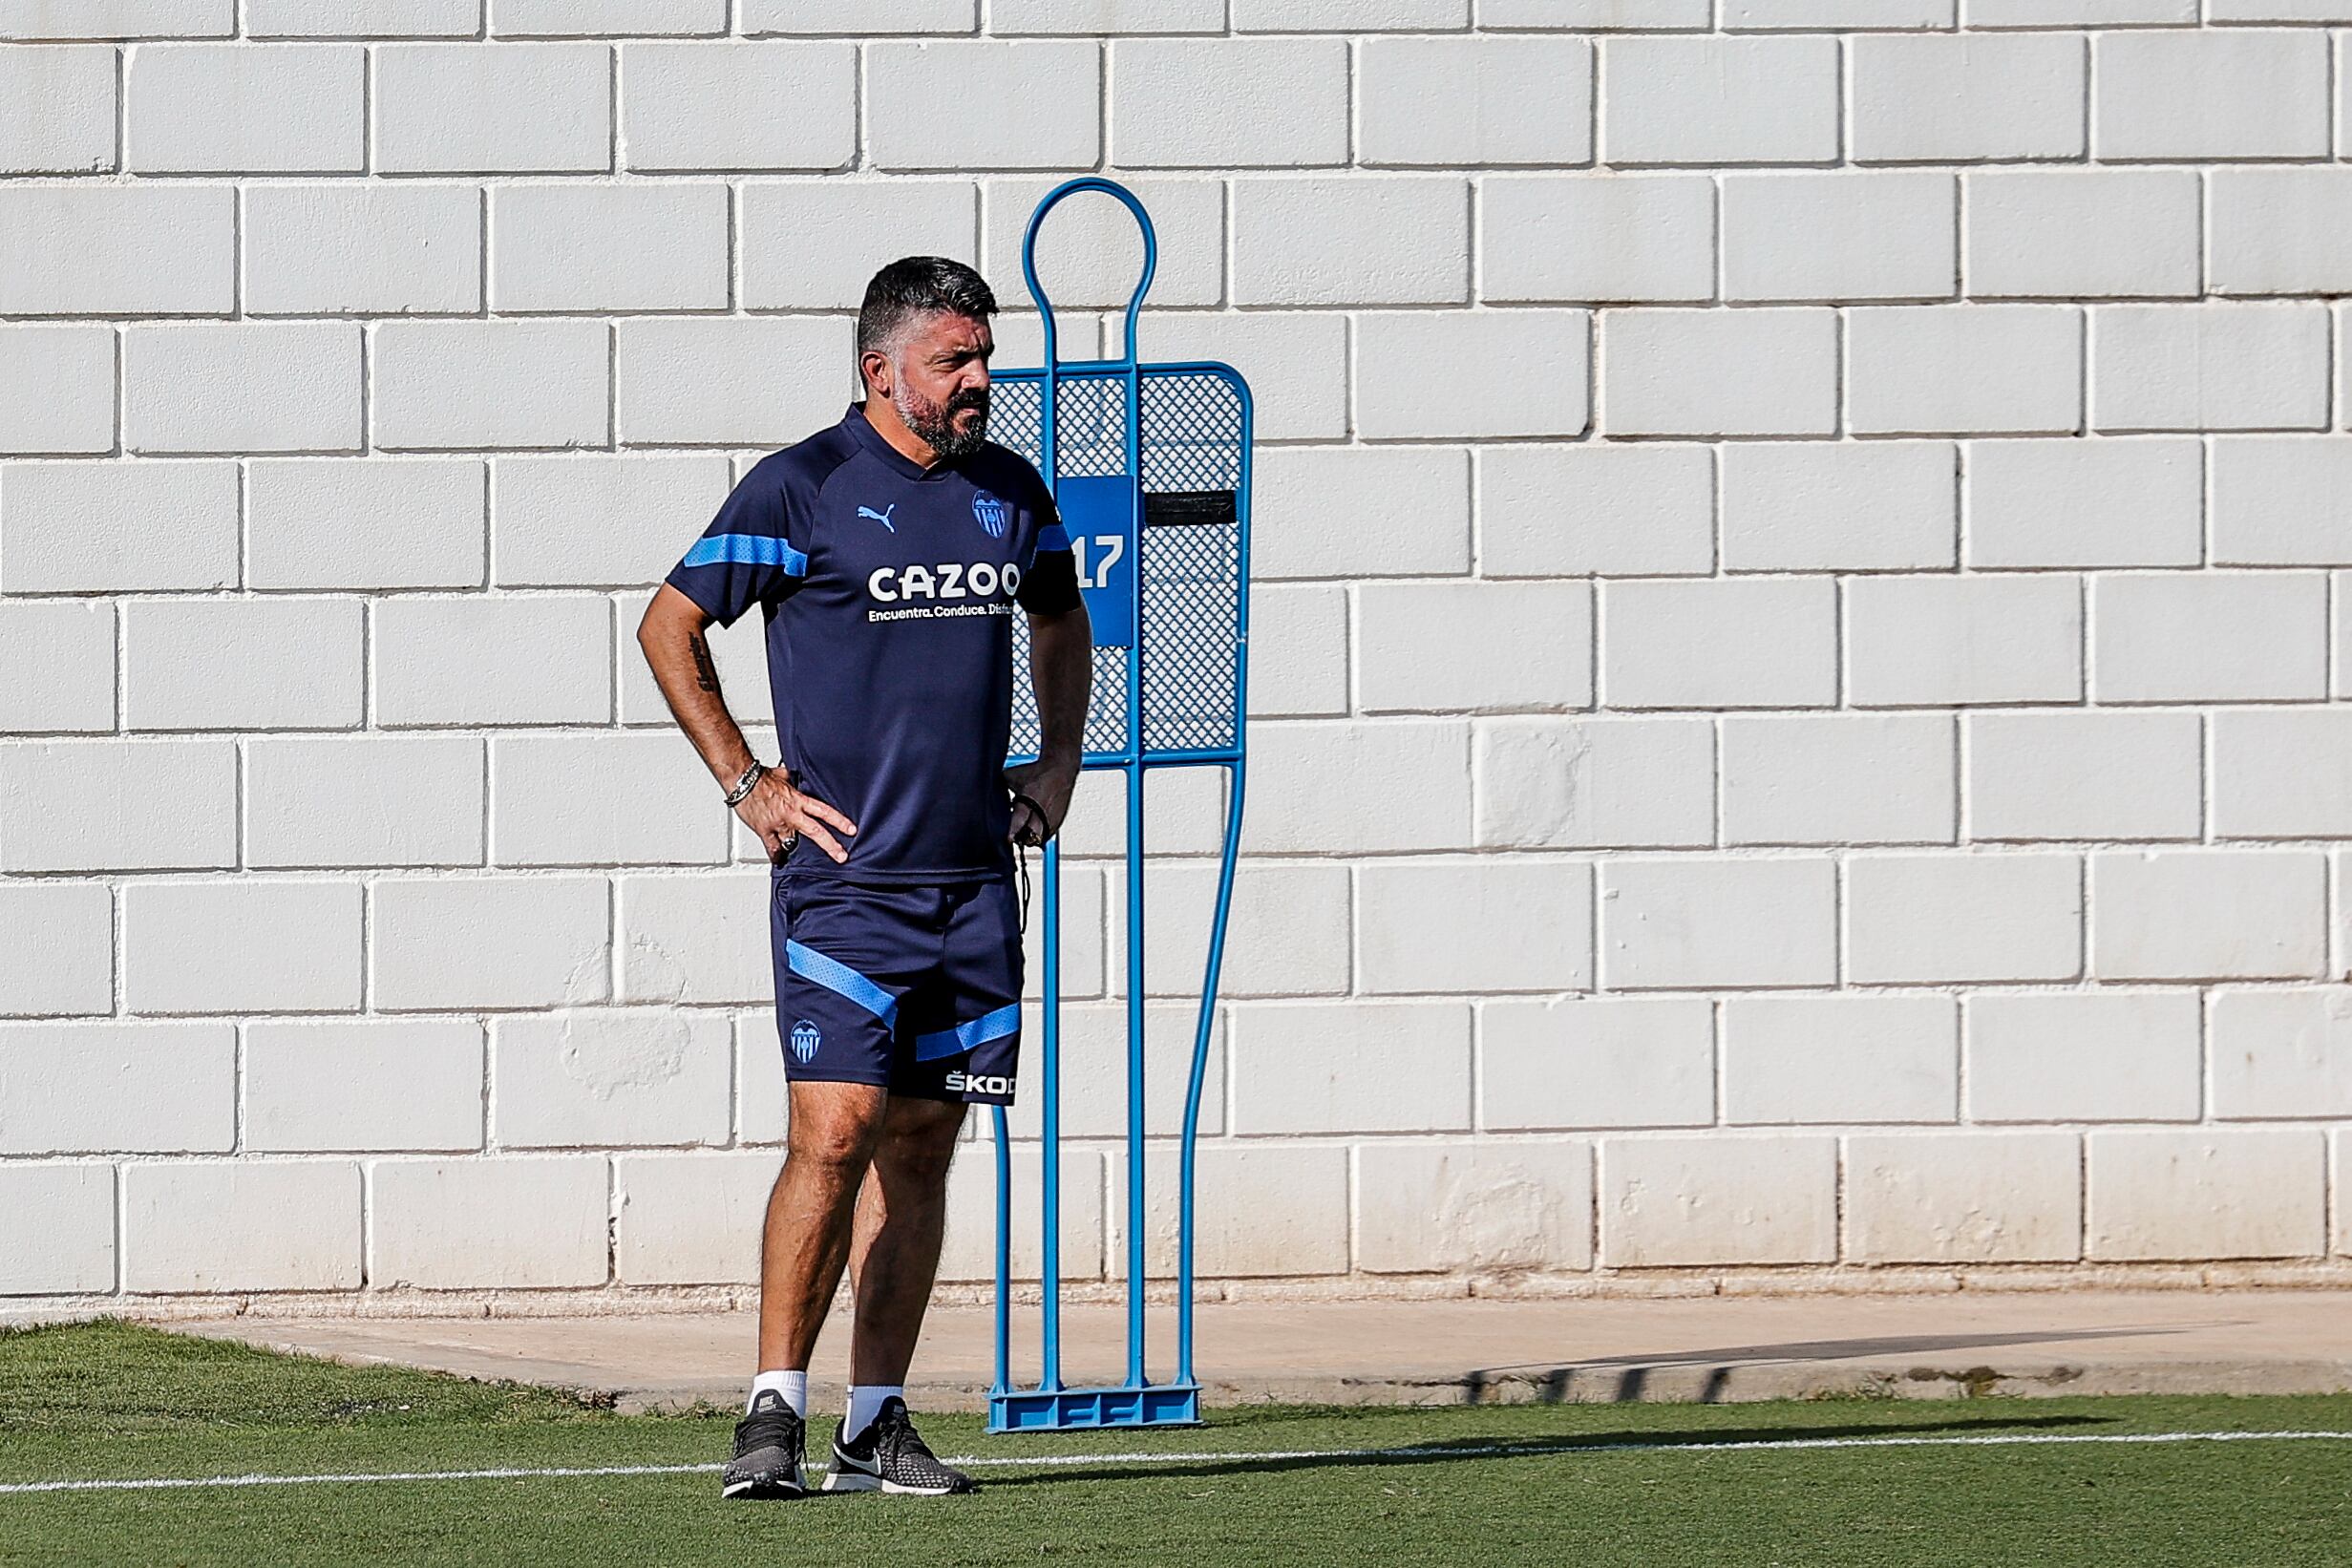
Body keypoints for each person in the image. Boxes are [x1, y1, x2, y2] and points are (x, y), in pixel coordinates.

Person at [637, 256, 1092, 1499]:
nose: (980, 378)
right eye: (955, 359)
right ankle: (772, 1411)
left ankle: (876, 1421)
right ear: (879, 368)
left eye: (984, 356)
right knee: (834, 1131)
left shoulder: (1012, 491)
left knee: (925, 1146)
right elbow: (669, 625)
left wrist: (1057, 763)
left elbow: (1060, 618)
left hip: (973, 888)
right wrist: (747, 783)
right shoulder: (803, 485)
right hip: (844, 887)